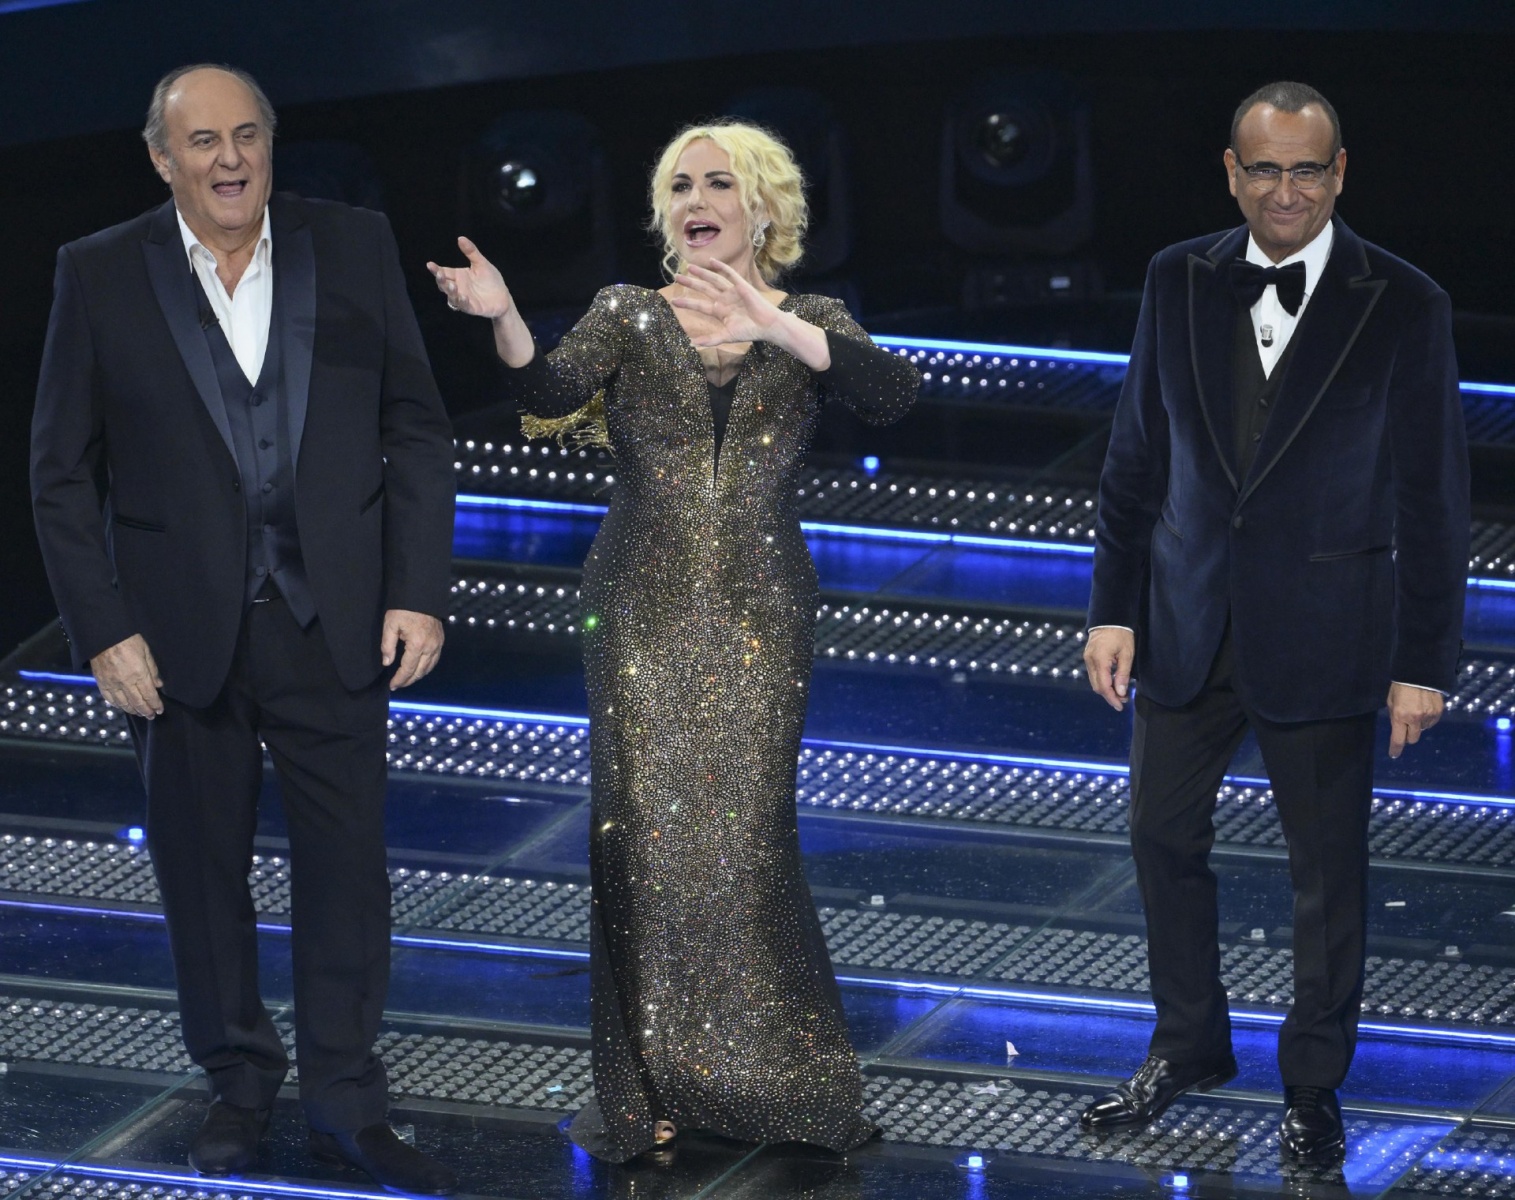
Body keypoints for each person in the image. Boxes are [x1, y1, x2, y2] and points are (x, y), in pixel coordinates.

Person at [428, 120, 919, 1162]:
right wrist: (506, 315)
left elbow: (892, 393)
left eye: (721, 184)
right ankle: (646, 1084)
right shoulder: (628, 315)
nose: (698, 197)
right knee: (642, 839)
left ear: (764, 211)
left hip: (760, 614)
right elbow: (548, 392)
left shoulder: (815, 320)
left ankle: (781, 1085)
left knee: (743, 840)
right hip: (640, 615)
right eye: (682, 184)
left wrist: (780, 330)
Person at [30, 64, 458, 1194]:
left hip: (338, 620)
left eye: (249, 136)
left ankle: (345, 1101)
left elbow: (414, 429)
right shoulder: (99, 271)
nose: (230, 160)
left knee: (347, 872)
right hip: (173, 639)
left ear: (272, 144)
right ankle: (237, 1082)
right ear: (162, 159)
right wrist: (104, 629)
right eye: (204, 142)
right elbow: (60, 476)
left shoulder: (352, 242)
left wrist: (417, 588)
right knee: (201, 873)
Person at [1079, 81, 1469, 1162]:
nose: (1285, 189)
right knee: (1160, 837)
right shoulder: (1176, 278)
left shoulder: (1405, 302)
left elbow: (1434, 499)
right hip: (1184, 618)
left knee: (1325, 878)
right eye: (1265, 169)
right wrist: (1113, 608)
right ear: (1232, 171)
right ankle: (1192, 1042)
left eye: (1307, 170)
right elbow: (1134, 461)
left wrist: (1423, 661)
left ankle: (1311, 1081)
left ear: (1339, 174)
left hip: (1331, 629)